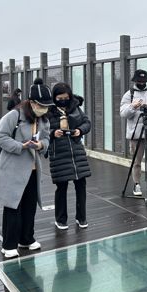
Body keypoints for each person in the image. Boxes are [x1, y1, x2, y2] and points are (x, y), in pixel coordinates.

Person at [0, 78, 53, 258]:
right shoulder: (14, 116)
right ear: (31, 103)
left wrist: (40, 145)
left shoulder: (44, 120)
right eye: (41, 105)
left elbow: (47, 139)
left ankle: (27, 239)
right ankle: (8, 244)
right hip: (13, 168)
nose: (44, 109)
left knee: (30, 206)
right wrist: (21, 146)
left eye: (47, 106)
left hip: (33, 169)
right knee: (12, 206)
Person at [47, 82, 92, 230]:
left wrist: (79, 130)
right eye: (60, 98)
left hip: (76, 151)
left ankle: (82, 217)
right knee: (61, 186)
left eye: (66, 97)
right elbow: (41, 132)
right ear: (54, 97)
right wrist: (53, 133)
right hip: (58, 152)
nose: (63, 100)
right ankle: (61, 219)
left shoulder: (75, 107)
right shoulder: (48, 111)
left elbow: (87, 123)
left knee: (81, 185)